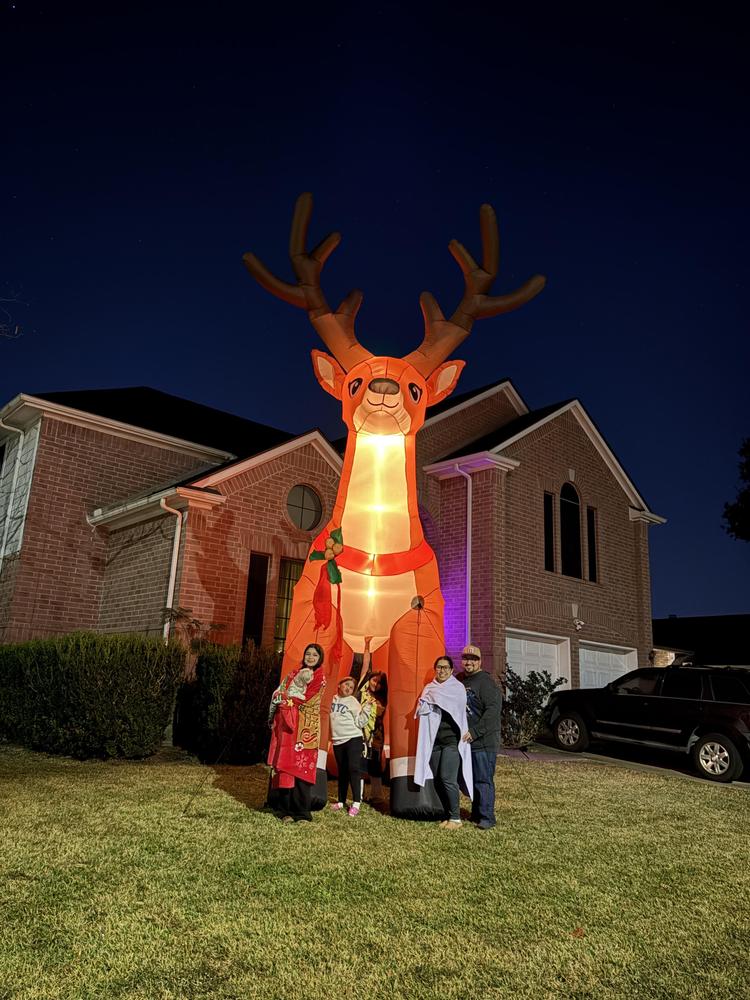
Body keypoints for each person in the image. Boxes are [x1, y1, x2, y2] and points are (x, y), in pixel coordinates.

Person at [267, 643, 326, 823]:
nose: (310, 657)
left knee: (301, 771)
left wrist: (286, 700)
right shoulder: (293, 673)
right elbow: (281, 691)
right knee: (286, 769)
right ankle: (284, 810)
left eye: (314, 655)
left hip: (305, 730)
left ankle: (301, 812)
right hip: (288, 729)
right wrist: (280, 698)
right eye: (308, 654)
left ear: (319, 658)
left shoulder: (320, 677)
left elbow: (307, 700)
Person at [414, 656, 473, 830]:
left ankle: (456, 818)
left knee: (448, 778)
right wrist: (427, 703)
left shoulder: (457, 688)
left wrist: (433, 700)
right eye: (439, 667)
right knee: (438, 779)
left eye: (446, 667)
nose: (442, 671)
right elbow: (421, 709)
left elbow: (456, 707)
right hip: (434, 742)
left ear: (452, 670)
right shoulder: (429, 688)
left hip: (451, 741)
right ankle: (447, 814)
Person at [459, 644, 502, 830]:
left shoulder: (486, 682)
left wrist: (476, 732)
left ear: (480, 662)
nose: (469, 662)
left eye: (473, 659)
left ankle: (487, 817)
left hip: (484, 742)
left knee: (483, 779)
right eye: (466, 659)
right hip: (466, 742)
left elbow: (493, 711)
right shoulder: (460, 680)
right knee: (470, 778)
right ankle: (476, 812)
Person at [329, 676, 374, 816]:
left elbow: (360, 722)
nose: (348, 688)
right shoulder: (331, 700)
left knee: (353, 768)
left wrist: (367, 708)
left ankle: (356, 802)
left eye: (351, 687)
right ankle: (341, 801)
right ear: (339, 684)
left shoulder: (353, 701)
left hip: (353, 738)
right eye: (346, 684)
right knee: (342, 771)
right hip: (337, 740)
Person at [357, 671, 388, 803]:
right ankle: (359, 795)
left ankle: (377, 794)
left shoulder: (383, 698)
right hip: (360, 732)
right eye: (374, 680)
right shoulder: (360, 694)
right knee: (359, 763)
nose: (376, 684)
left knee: (375, 763)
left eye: (380, 683)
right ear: (369, 680)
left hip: (376, 734)